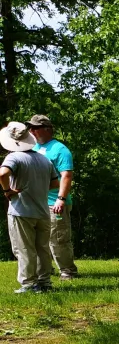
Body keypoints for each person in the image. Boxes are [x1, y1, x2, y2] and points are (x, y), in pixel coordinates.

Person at [0, 122, 60, 293]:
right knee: (42, 248)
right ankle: (44, 282)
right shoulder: (43, 159)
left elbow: (3, 173)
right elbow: (55, 183)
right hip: (42, 211)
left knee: (24, 248)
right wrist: (38, 188)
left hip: (21, 211)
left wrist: (7, 190)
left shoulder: (14, 157)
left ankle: (28, 284)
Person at [27, 115, 78, 280]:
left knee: (58, 238)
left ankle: (68, 271)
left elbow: (67, 176)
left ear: (47, 129)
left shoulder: (60, 149)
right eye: (30, 128)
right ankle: (46, 271)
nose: (31, 131)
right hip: (36, 202)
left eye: (35, 128)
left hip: (54, 202)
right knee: (39, 241)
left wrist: (61, 199)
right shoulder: (32, 147)